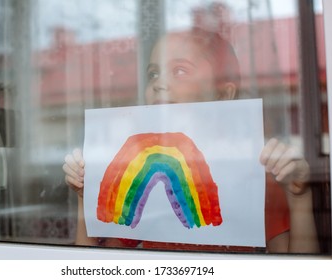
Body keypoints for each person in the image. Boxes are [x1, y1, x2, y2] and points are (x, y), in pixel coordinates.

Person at [63, 28, 319, 253]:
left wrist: (299, 198)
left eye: (180, 70)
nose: (160, 83)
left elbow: (296, 268)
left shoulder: (257, 173)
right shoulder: (139, 168)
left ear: (224, 94)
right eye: (153, 74)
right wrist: (86, 197)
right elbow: (94, 266)